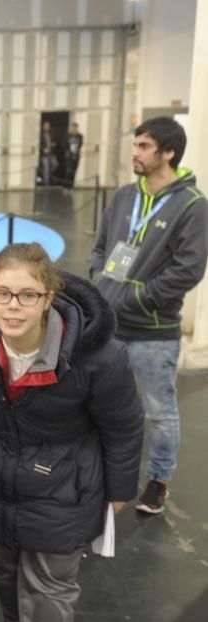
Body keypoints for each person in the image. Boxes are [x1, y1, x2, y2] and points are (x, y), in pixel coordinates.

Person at [0, 243, 143, 622]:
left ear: (49, 296)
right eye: (3, 294)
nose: (13, 306)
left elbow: (124, 426)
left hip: (63, 490)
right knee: (5, 577)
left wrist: (117, 492)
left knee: (50, 594)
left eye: (27, 295)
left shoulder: (98, 357)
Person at [90, 116, 208, 514]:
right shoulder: (124, 196)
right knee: (104, 406)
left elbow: (188, 270)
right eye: (135, 145)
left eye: (143, 146)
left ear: (168, 152)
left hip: (154, 332)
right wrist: (99, 281)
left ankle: (158, 479)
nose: (135, 153)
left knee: (159, 412)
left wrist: (137, 298)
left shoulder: (193, 205)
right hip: (111, 327)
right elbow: (101, 247)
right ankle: (104, 474)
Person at [39, 121, 57, 186]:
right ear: (43, 127)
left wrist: (53, 144)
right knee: (46, 168)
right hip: (44, 155)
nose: (47, 127)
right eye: (45, 126)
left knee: (55, 164)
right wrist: (43, 149)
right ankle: (46, 184)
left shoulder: (52, 134)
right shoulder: (40, 134)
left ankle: (47, 174)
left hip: (51, 153)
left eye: (48, 126)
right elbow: (39, 144)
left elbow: (55, 142)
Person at [65, 122, 83, 187]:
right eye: (73, 128)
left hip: (76, 155)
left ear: (77, 128)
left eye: (75, 128)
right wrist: (67, 153)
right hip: (69, 156)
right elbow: (65, 145)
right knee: (69, 171)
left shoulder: (80, 136)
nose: (74, 129)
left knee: (74, 171)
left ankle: (71, 185)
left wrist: (76, 149)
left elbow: (80, 144)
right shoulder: (68, 136)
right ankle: (67, 185)